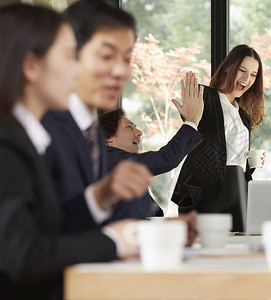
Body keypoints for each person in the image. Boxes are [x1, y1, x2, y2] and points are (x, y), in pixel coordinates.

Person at [0, 4, 145, 299]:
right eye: (69, 57)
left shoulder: (31, 137)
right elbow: (24, 254)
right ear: (31, 66)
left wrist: (102, 196)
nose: (76, 69)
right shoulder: (11, 143)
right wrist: (113, 241)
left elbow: (48, 228)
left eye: (127, 58)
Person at [41, 0, 195, 233]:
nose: (121, 71)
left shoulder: (90, 139)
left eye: (125, 58)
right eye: (106, 56)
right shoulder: (39, 131)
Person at [172, 44, 265, 232]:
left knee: (241, 250)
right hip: (206, 191)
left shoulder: (243, 116)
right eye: (242, 70)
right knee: (202, 251)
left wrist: (250, 164)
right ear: (229, 67)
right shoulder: (205, 97)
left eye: (253, 75)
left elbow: (230, 153)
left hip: (239, 188)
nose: (247, 79)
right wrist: (190, 117)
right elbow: (193, 125)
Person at [98, 71, 204, 220]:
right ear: (108, 138)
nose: (139, 132)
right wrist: (192, 120)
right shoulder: (111, 159)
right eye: (129, 127)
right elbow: (167, 158)